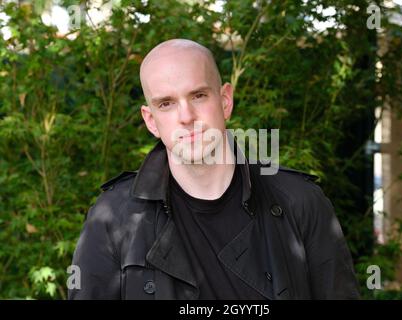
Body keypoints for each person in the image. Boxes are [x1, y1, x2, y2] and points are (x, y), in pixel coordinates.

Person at [68, 39, 360, 300]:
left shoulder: (300, 202)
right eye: (166, 103)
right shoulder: (113, 217)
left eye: (198, 96)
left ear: (225, 101)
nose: (186, 116)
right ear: (151, 120)